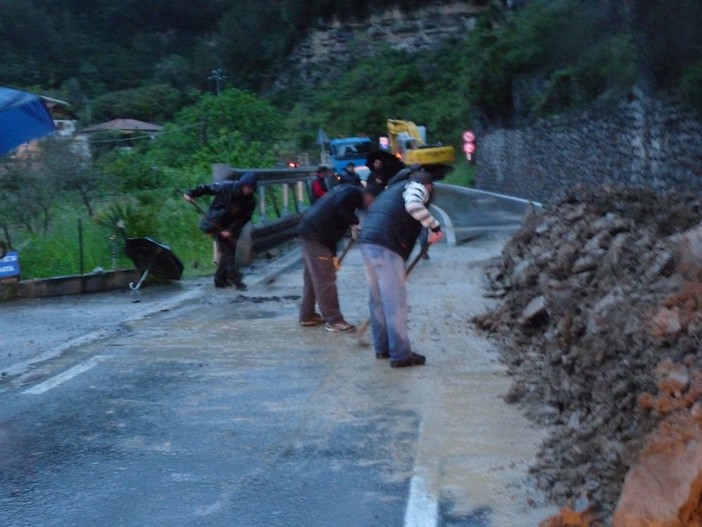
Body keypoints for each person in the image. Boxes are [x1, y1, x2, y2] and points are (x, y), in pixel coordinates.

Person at [358, 170, 443, 368]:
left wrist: (400, 267)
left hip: (368, 244)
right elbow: (413, 205)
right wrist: (435, 227)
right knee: (394, 303)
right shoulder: (416, 187)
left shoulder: (390, 191)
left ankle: (383, 348)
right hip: (386, 245)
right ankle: (401, 355)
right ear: (428, 187)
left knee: (377, 299)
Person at [296, 184, 379, 332]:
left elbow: (337, 214)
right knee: (325, 280)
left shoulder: (347, 193)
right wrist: (354, 222)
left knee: (312, 278)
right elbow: (341, 205)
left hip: (312, 234)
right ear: (369, 196)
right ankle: (334, 321)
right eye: (372, 202)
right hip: (316, 236)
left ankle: (307, 315)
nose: (370, 207)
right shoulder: (352, 193)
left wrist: (332, 255)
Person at [184, 172, 258, 290]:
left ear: (253, 188)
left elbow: (244, 219)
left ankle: (220, 280)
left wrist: (230, 230)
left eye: (250, 187)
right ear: (241, 185)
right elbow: (207, 188)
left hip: (230, 226)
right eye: (245, 186)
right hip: (216, 222)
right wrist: (191, 193)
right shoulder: (226, 187)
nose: (247, 189)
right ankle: (236, 280)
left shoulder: (250, 202)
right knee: (228, 252)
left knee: (228, 252)